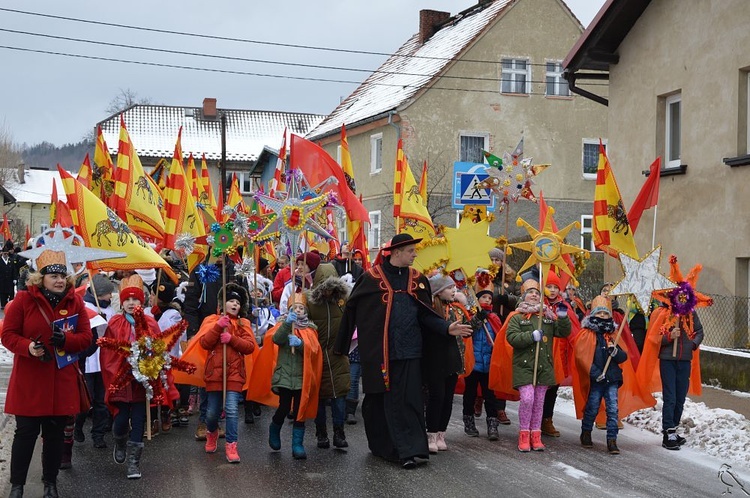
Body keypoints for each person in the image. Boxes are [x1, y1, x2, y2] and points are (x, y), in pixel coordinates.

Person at [335, 234, 472, 469]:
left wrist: (446, 327)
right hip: (381, 353)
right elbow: (352, 310)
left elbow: (426, 313)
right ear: (396, 252)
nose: (415, 254)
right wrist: (342, 345)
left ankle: (411, 450)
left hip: (411, 350)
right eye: (410, 251)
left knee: (409, 400)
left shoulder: (418, 279)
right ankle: (384, 447)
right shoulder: (370, 278)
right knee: (381, 399)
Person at [2, 247, 93, 498]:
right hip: (30, 380)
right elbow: (8, 334)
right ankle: (17, 485)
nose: (60, 280)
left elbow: (86, 338)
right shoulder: (23, 300)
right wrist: (28, 347)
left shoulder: (75, 301)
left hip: (60, 381)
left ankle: (50, 483)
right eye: (53, 276)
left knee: (54, 438)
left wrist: (66, 340)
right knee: (25, 435)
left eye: (62, 276)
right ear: (40, 278)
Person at [504, 275, 570, 452]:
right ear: (523, 296)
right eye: (530, 292)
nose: (534, 295)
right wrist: (530, 337)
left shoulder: (547, 317)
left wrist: (562, 317)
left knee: (539, 402)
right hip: (524, 366)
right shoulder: (517, 318)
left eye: (537, 293)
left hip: (543, 367)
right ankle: (524, 434)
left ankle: (536, 435)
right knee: (527, 399)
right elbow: (512, 338)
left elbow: (563, 332)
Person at [100, 274, 157, 479]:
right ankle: (120, 440)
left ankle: (134, 463)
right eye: (128, 300)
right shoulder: (115, 323)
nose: (132, 303)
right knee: (122, 418)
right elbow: (108, 352)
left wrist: (150, 364)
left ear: (142, 302)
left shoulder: (150, 323)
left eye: (135, 299)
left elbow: (159, 348)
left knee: (139, 419)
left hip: (142, 381)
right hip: (122, 378)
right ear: (122, 303)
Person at [198, 283, 256, 463]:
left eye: (237, 303)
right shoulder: (211, 320)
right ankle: (212, 432)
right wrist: (217, 327)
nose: (234, 304)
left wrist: (232, 339)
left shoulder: (242, 324)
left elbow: (249, 346)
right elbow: (205, 343)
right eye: (230, 301)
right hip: (214, 374)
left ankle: (232, 444)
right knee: (212, 413)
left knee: (231, 410)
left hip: (234, 373)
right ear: (223, 304)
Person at [638, 303, 704, 450]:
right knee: (670, 397)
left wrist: (692, 345)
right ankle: (668, 433)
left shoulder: (690, 313)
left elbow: (699, 331)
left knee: (680, 398)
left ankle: (673, 429)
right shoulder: (661, 313)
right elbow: (653, 338)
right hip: (668, 361)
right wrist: (669, 336)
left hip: (685, 360)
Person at [268, 292, 323, 460]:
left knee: (300, 410)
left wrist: (301, 345)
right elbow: (277, 339)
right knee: (284, 407)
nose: (298, 310)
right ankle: (274, 429)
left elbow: (314, 351)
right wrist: (287, 324)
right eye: (295, 308)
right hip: (285, 376)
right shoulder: (283, 324)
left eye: (301, 308)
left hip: (302, 378)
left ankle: (297, 444)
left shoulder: (310, 329)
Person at [424, 273, 471, 454]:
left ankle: (441, 433)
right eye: (450, 288)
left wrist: (477, 316)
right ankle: (431, 433)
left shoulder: (455, 310)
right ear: (438, 291)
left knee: (448, 399)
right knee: (437, 397)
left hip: (453, 359)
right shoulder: (431, 310)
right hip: (436, 360)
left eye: (454, 288)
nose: (454, 291)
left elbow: (467, 330)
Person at [306, 263, 351, 450]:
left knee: (339, 396)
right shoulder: (308, 303)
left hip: (337, 354)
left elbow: (350, 324)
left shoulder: (343, 302)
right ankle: (321, 432)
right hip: (316, 356)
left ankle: (339, 432)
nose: (328, 292)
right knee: (318, 398)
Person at [575, 296, 626, 454]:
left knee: (613, 410)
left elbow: (623, 356)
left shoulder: (613, 335)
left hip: (612, 379)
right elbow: (582, 356)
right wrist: (595, 373)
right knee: (592, 407)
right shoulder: (587, 334)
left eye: (606, 314)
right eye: (600, 314)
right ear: (593, 315)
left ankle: (612, 440)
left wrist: (615, 351)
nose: (603, 317)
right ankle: (586, 432)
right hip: (596, 380)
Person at [76, 273, 117, 449]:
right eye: (108, 293)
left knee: (101, 400)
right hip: (88, 359)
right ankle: (77, 427)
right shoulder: (83, 306)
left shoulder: (110, 309)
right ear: (100, 293)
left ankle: (98, 434)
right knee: (86, 399)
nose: (110, 296)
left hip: (104, 361)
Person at [540, 271, 580, 438]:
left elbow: (572, 329)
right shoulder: (537, 304)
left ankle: (547, 419)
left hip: (559, 353)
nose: (553, 290)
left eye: (555, 287)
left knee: (553, 386)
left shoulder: (564, 306)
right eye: (549, 286)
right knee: (539, 387)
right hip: (541, 351)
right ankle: (535, 419)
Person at [463, 285, 502, 441]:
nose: (487, 300)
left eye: (489, 298)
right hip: (473, 363)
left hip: (489, 364)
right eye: (484, 297)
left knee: (490, 396)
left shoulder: (494, 317)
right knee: (470, 394)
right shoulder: (471, 315)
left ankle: (492, 424)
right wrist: (478, 318)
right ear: (477, 299)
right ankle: (469, 422)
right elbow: (468, 331)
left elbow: (499, 336)